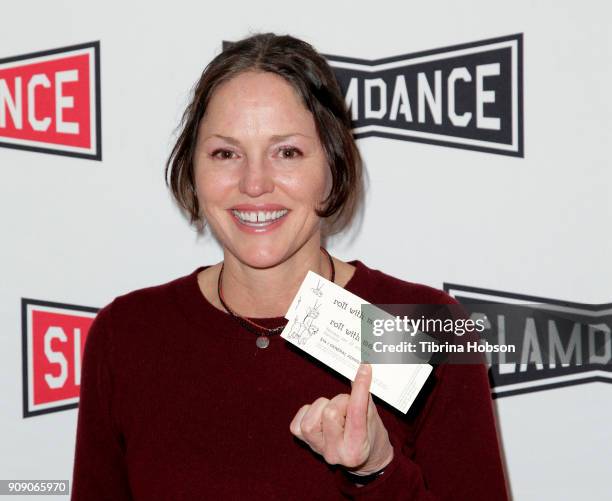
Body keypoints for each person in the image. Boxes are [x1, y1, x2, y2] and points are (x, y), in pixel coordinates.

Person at [71, 33, 509, 500]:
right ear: (193, 172)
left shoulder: (424, 328)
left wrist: (377, 471)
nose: (254, 183)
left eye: (287, 152)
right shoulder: (128, 334)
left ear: (333, 167)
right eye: (226, 153)